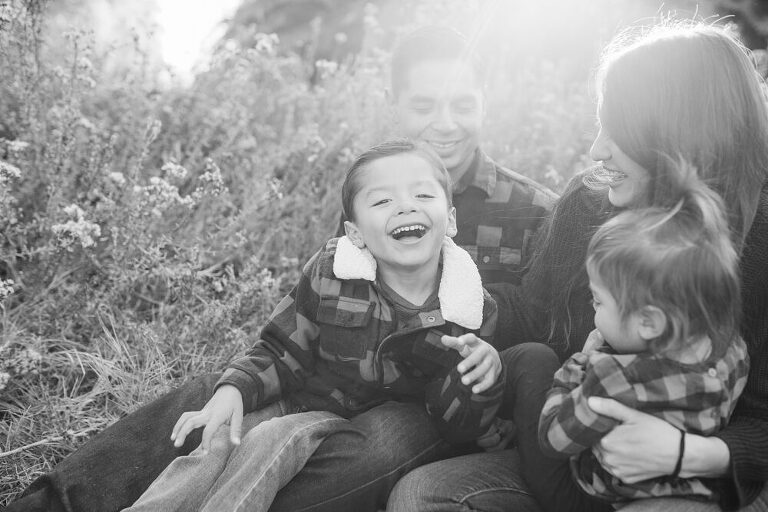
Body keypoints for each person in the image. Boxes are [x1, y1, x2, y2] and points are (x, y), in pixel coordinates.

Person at [7, 26, 556, 512]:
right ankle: (56, 504)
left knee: (372, 445)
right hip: (337, 369)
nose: (446, 123)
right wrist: (247, 385)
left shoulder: (532, 211)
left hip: (432, 402)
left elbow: (534, 335)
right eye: (424, 105)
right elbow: (310, 312)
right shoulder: (371, 186)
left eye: (463, 104)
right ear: (394, 107)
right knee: (217, 398)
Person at [388, 21, 768, 512]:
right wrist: (436, 286)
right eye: (599, 125)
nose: (597, 150)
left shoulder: (758, 240)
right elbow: (536, 315)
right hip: (577, 457)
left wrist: (689, 453)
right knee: (421, 496)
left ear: (676, 135)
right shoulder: (591, 202)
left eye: (619, 129)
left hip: (705, 479)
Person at [121, 138, 505, 512]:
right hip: (306, 397)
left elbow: (455, 421)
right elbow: (281, 347)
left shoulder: (468, 309)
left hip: (374, 431)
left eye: (422, 196)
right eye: (383, 200)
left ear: (450, 219)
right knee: (221, 437)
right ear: (354, 232)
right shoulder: (333, 272)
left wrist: (485, 376)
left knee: (272, 438)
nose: (405, 207)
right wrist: (235, 389)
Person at [538, 169, 749, 504]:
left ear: (649, 322)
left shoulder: (612, 378)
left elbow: (553, 438)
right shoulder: (731, 349)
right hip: (696, 492)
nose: (593, 309)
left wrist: (578, 365)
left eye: (598, 299)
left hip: (611, 490)